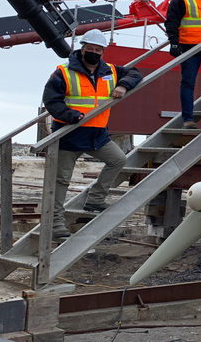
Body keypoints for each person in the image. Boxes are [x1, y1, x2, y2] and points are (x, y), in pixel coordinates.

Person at [42, 28, 142, 239]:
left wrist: (123, 85)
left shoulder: (111, 71)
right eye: (90, 49)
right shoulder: (64, 72)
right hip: (69, 134)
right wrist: (70, 115)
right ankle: (56, 225)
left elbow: (135, 73)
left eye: (98, 50)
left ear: (103, 52)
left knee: (118, 160)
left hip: (97, 135)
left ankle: (95, 199)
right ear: (82, 49)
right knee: (60, 182)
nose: (94, 52)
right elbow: (51, 101)